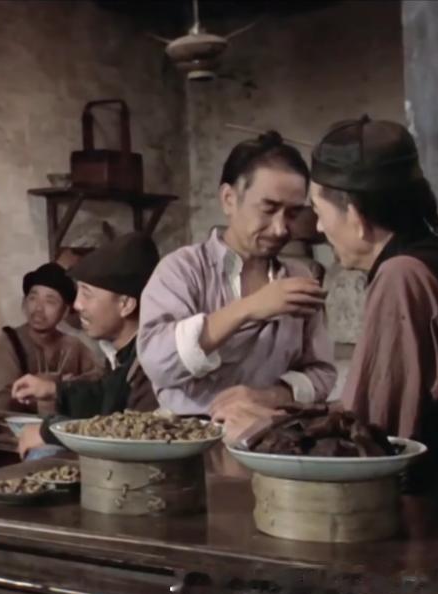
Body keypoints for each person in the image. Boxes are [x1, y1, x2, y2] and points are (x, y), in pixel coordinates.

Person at [224, 117, 438, 497]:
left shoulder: (403, 278)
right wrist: (283, 416)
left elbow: (371, 445)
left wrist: (257, 432)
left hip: (432, 508)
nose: (319, 228)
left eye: (319, 211)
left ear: (354, 215)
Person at [138, 131, 337, 420]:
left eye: (293, 213)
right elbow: (158, 363)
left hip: (273, 434)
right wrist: (250, 308)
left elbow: (322, 373)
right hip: (187, 435)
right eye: (268, 209)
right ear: (229, 199)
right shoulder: (182, 270)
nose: (281, 228)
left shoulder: (299, 277)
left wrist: (271, 396)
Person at [12, 233, 161, 460]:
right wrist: (53, 389)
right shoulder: (122, 354)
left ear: (125, 304)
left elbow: (130, 434)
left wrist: (50, 432)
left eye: (87, 294)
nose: (77, 304)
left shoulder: (152, 364)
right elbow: (104, 395)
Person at [0, 262, 98, 414]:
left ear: (65, 312)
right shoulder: (6, 345)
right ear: (24, 304)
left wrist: (58, 386)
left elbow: (100, 385)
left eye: (50, 301)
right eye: (33, 298)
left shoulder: (73, 346)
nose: (39, 308)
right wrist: (48, 395)